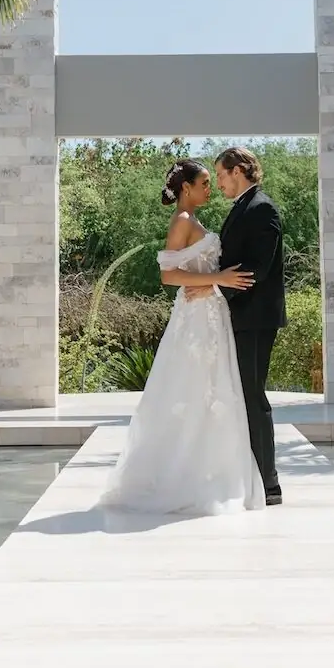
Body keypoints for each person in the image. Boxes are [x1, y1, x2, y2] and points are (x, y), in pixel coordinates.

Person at [97, 159, 267, 515]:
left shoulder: (193, 221)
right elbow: (169, 276)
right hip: (194, 320)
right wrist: (216, 280)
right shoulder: (182, 221)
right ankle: (185, 475)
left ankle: (213, 471)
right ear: (186, 187)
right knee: (192, 389)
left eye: (211, 182)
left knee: (214, 391)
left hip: (211, 315)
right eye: (205, 183)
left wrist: (214, 283)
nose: (210, 188)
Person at [189, 146, 285, 505]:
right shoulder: (243, 208)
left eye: (221, 175)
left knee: (252, 396)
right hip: (241, 317)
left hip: (256, 320)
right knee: (241, 395)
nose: (219, 183)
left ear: (239, 171)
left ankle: (269, 484)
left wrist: (210, 286)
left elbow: (256, 271)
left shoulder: (262, 209)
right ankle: (250, 478)